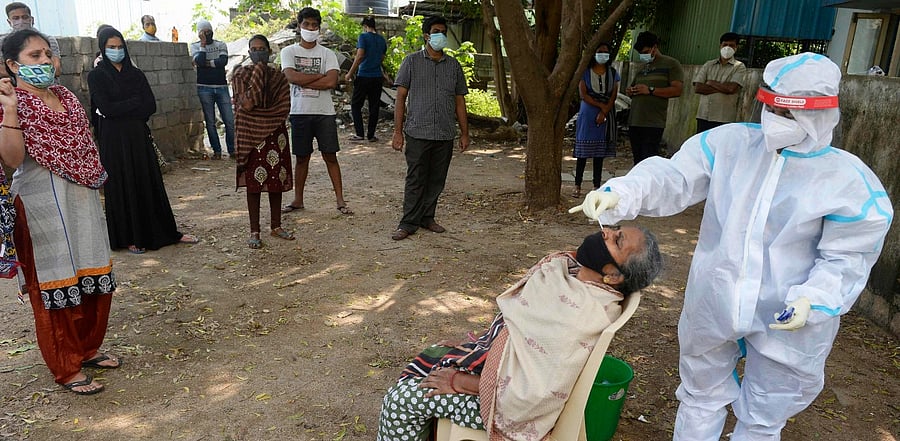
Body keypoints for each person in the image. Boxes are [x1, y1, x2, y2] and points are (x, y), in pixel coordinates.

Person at [570, 53, 893, 440]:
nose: (775, 121)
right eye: (770, 108)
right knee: (699, 396)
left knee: (764, 415)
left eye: (788, 114)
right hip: (715, 298)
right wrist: (621, 192)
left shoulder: (848, 182)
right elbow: (674, 176)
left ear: (820, 115)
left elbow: (846, 256)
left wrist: (816, 298)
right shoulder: (730, 144)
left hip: (788, 313)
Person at [377, 226, 663, 440]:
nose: (606, 232)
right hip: (500, 361)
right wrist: (485, 345)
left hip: (505, 404)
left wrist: (460, 381)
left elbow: (533, 393)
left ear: (613, 276)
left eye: (617, 240)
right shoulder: (574, 277)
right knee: (435, 354)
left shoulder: (579, 318)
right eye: (615, 228)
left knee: (400, 400)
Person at [0, 29, 120, 395]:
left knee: (92, 271)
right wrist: (8, 110)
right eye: (34, 56)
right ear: (12, 64)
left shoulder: (66, 97)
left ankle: (87, 348)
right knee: (55, 283)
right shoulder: (11, 101)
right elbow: (12, 159)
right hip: (40, 204)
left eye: (47, 55)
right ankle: (65, 366)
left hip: (81, 197)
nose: (44, 62)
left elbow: (85, 148)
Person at [88, 26, 199, 254]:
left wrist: (121, 109)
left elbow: (150, 105)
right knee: (122, 184)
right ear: (102, 49)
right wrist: (132, 104)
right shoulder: (96, 75)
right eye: (111, 47)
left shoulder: (136, 74)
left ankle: (164, 232)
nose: (116, 51)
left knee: (147, 181)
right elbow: (104, 107)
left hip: (138, 136)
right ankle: (129, 236)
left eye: (120, 47)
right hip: (113, 140)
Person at [390, 15, 469, 241]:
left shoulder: (453, 66)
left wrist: (465, 133)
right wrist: (397, 131)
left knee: (436, 179)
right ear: (426, 35)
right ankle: (407, 222)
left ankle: (427, 217)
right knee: (416, 177)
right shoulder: (411, 62)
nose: (441, 36)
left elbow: (459, 101)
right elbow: (400, 97)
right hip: (417, 131)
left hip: (444, 133)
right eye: (436, 31)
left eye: (443, 32)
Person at [280, 7, 352, 215]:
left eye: (314, 25)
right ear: (299, 26)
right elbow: (291, 78)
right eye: (306, 24)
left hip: (324, 113)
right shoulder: (289, 51)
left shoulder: (327, 54)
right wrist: (318, 78)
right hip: (300, 112)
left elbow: (331, 81)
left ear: (319, 28)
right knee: (302, 158)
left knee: (331, 155)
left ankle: (340, 200)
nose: (311, 28)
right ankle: (298, 199)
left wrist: (304, 78)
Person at [232, 35, 294, 249]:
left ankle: (276, 225)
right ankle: (254, 230)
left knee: (276, 180)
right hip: (251, 138)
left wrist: (261, 116)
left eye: (262, 49)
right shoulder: (240, 74)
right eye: (254, 49)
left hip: (276, 138)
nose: (258, 52)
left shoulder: (279, 77)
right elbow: (247, 104)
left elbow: (283, 108)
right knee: (253, 184)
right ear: (249, 52)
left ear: (269, 51)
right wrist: (259, 70)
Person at [624, 31, 683, 164]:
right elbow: (634, 87)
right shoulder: (643, 68)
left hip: (652, 123)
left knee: (648, 161)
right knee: (637, 161)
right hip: (635, 121)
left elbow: (677, 90)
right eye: (641, 53)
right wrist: (631, 91)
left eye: (645, 51)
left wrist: (650, 90)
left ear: (654, 48)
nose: (643, 55)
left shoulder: (671, 64)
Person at [573, 41, 620, 198]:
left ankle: (596, 185)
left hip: (606, 114)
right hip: (588, 114)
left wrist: (605, 111)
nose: (603, 55)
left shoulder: (613, 73)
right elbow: (583, 94)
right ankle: (577, 185)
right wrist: (601, 106)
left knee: (599, 153)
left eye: (606, 52)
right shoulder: (585, 72)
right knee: (583, 153)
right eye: (600, 51)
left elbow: (613, 94)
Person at [190, 19, 235, 160]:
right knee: (210, 122)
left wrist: (206, 64)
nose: (207, 34)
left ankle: (232, 150)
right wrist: (203, 46)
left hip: (221, 87)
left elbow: (223, 61)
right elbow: (200, 61)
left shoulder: (221, 44)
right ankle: (217, 151)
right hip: (204, 88)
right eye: (204, 32)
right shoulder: (195, 46)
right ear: (199, 33)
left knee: (229, 120)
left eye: (208, 31)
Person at [693, 32, 746, 133]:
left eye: (731, 45)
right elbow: (698, 88)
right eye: (725, 45)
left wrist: (711, 83)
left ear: (736, 48)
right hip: (704, 115)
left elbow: (732, 89)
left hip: (724, 118)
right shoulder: (709, 64)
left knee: (722, 147)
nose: (727, 48)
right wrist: (723, 87)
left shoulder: (739, 66)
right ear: (720, 46)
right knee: (702, 146)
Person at [345, 16, 387, 142]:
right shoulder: (381, 40)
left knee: (356, 105)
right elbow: (381, 58)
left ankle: (359, 133)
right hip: (377, 77)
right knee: (374, 106)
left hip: (364, 75)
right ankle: (371, 135)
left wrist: (349, 73)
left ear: (365, 26)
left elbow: (359, 56)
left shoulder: (363, 37)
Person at [0, 2, 59, 79]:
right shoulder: (3, 42)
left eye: (25, 17)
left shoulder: (47, 40)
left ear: (32, 19)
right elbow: (1, 71)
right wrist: (39, 72)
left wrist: (24, 71)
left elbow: (56, 70)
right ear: (9, 22)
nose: (21, 21)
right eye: (16, 18)